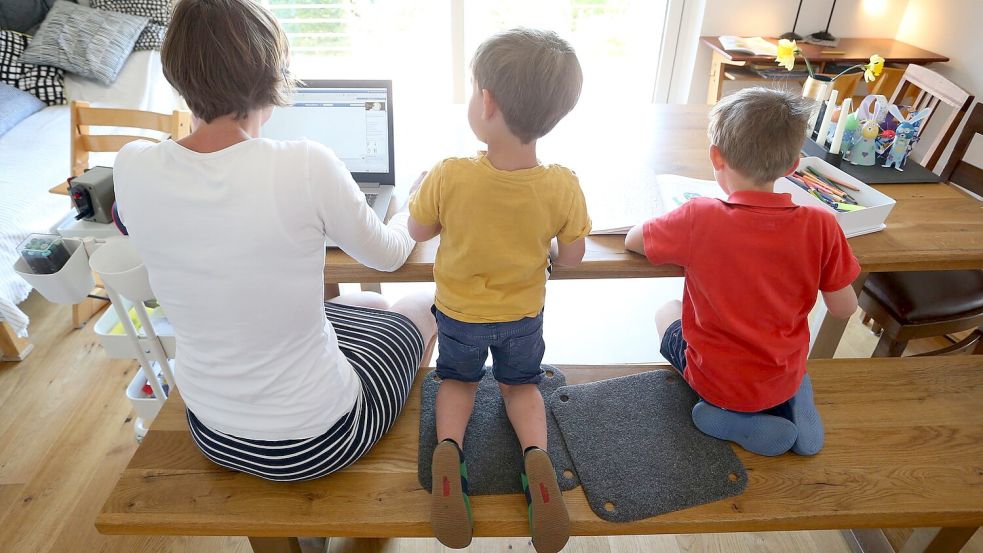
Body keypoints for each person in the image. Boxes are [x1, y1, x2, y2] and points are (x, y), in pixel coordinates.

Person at [112, 0, 436, 482]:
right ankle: (389, 467)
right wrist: (416, 200)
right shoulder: (304, 163)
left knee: (366, 304)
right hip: (321, 439)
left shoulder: (132, 163)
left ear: (177, 73)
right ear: (272, 73)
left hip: (212, 430)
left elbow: (129, 221)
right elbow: (390, 255)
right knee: (425, 302)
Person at [408, 28, 590, 553]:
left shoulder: (449, 175)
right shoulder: (561, 183)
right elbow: (573, 256)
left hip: (461, 316)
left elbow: (417, 232)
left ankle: (448, 450)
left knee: (459, 382)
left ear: (486, 102)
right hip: (522, 317)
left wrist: (420, 191)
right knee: (520, 386)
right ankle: (536, 457)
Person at [626, 87, 860, 457]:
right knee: (782, 364)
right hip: (781, 372)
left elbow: (633, 239)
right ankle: (792, 399)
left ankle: (735, 419)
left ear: (716, 157)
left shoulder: (699, 216)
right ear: (792, 166)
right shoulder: (821, 225)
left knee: (667, 311)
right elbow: (844, 309)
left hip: (717, 381)